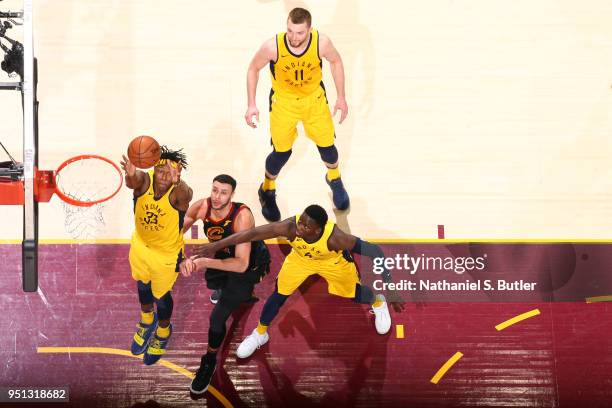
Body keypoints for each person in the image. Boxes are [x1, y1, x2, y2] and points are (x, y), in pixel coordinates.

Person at [193, 204, 396, 360]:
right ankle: (260, 334)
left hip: (331, 262)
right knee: (279, 294)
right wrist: (217, 244)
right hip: (300, 259)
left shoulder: (336, 239)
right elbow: (253, 234)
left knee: (356, 294)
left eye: (306, 226)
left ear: (318, 230)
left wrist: (392, 288)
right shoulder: (290, 227)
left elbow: (375, 251)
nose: (300, 227)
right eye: (301, 221)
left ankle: (378, 302)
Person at [245, 7, 350, 222]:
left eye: (300, 33)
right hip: (284, 104)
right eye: (290, 31)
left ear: (310, 30)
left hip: (314, 100)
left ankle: (334, 179)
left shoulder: (322, 43)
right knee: (282, 153)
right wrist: (251, 104)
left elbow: (336, 61)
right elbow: (253, 68)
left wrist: (341, 97)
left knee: (328, 148)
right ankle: (267, 189)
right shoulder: (272, 46)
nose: (294, 37)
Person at [179, 174, 271, 396]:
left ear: (232, 195)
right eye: (214, 190)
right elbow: (175, 232)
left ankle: (209, 360)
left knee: (217, 318)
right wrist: (180, 257)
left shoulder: (242, 217)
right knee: (215, 286)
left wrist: (202, 262)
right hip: (219, 257)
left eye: (223, 192)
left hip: (246, 265)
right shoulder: (201, 207)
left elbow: (241, 264)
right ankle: (232, 293)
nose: (217, 196)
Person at [120, 146, 192, 365]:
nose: (164, 175)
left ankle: (163, 330)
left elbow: (187, 195)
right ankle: (146, 320)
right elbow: (133, 182)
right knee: (142, 285)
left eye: (170, 172)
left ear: (177, 175)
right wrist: (131, 173)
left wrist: (177, 180)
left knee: (161, 295)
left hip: (166, 256)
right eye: (161, 169)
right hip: (141, 247)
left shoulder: (179, 193)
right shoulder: (145, 181)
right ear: (154, 168)